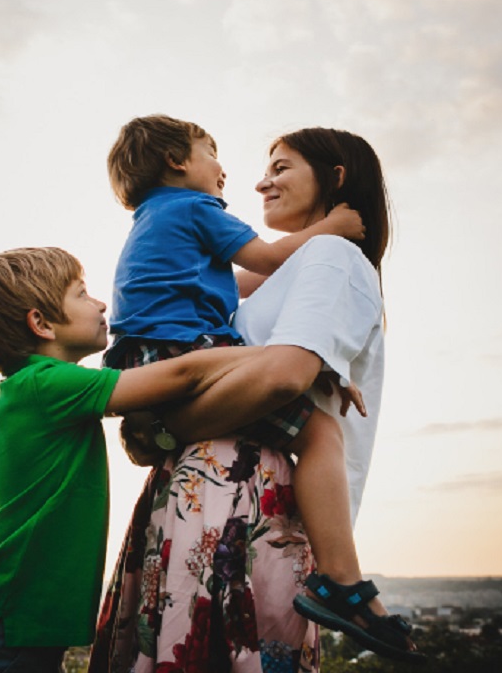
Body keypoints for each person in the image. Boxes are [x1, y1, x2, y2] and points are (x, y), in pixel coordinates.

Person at [91, 128, 421, 672]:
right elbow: (274, 358)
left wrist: (166, 429)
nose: (260, 182)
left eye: (281, 168)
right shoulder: (272, 256)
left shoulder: (329, 254)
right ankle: (343, 581)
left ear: (335, 178)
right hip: (217, 494)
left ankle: (342, 580)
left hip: (223, 496)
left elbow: (282, 373)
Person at [0, 247, 322, 673]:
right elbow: (183, 374)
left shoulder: (43, 392)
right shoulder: (40, 384)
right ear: (41, 323)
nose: (100, 304)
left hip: (16, 630)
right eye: (81, 294)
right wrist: (290, 356)